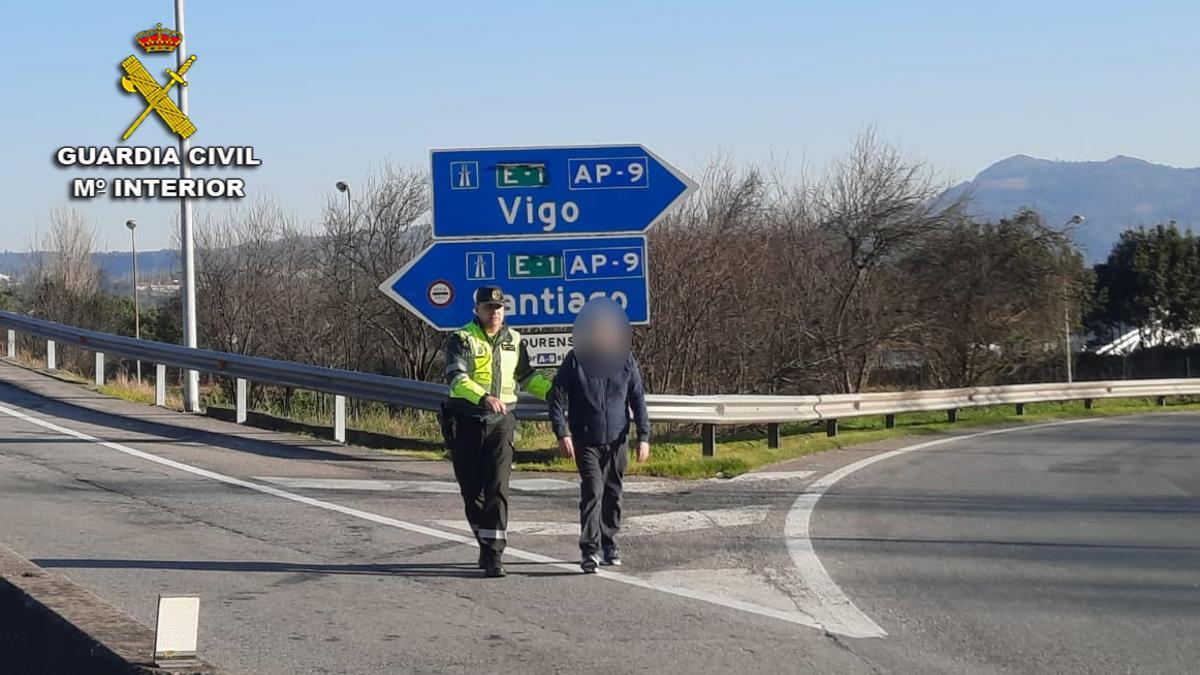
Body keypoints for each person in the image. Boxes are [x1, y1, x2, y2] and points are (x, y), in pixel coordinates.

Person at [442, 286, 553, 578]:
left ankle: (494, 554)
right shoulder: (462, 338)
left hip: (502, 423)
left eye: (500, 307)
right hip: (467, 420)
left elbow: (528, 378)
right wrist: (482, 397)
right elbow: (456, 378)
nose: (495, 312)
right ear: (477, 310)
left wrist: (554, 393)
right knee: (471, 493)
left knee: (497, 487)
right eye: (489, 308)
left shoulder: (514, 340)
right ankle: (485, 539)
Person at [548, 299, 651, 573]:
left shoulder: (625, 360)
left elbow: (638, 398)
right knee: (593, 490)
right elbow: (556, 396)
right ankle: (589, 550)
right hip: (586, 438)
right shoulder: (575, 360)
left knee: (613, 493)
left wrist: (644, 436)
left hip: (618, 438)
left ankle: (609, 542)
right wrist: (562, 432)